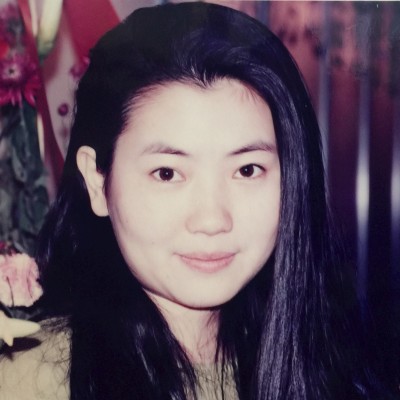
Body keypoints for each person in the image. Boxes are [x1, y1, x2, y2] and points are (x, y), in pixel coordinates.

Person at [0, 2, 393, 399]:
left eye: (247, 170)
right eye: (167, 173)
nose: (212, 219)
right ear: (98, 182)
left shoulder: (339, 367)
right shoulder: (28, 381)